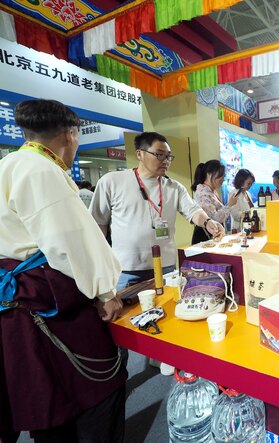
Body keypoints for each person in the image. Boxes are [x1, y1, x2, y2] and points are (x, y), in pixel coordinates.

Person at [0, 99, 126, 442]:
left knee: (47, 399)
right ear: (71, 135)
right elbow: (71, 243)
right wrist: (105, 292)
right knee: (102, 382)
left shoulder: (8, 164)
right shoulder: (41, 169)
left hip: (17, 303)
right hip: (47, 300)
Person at [90, 133, 223, 291]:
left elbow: (193, 211)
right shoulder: (112, 181)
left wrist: (208, 222)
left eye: (168, 156)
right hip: (126, 271)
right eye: (159, 155)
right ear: (140, 153)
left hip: (166, 268)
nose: (165, 161)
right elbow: (98, 224)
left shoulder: (174, 187)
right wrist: (101, 267)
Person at [191, 160, 238, 244]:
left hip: (213, 236)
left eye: (224, 176)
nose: (223, 179)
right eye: (220, 176)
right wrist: (229, 205)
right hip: (204, 238)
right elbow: (214, 219)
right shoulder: (202, 193)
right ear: (209, 175)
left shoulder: (212, 191)